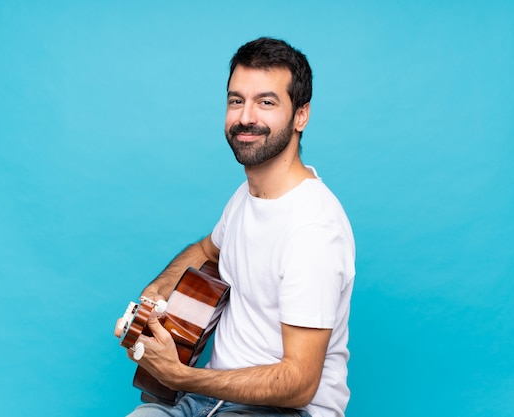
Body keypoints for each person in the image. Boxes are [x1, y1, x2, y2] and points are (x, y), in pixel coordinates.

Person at [116, 37, 355, 417]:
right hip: (207, 399)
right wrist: (156, 294)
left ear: (301, 116)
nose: (246, 117)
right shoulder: (247, 197)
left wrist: (180, 376)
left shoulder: (314, 229)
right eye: (236, 100)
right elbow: (207, 251)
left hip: (284, 411)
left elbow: (299, 383)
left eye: (266, 102)